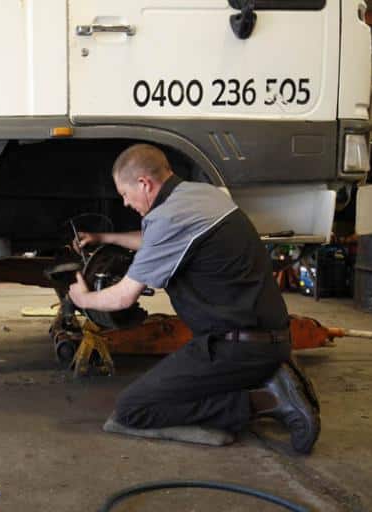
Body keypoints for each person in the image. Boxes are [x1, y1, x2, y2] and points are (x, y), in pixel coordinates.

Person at [68, 143, 320, 454]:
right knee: (172, 393)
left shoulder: (169, 218)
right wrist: (104, 238)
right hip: (267, 337)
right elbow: (154, 242)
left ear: (144, 183)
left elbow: (122, 298)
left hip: (234, 347)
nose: (125, 202)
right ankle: (271, 375)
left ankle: (270, 401)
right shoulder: (203, 195)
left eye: (124, 193)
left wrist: (82, 299)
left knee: (133, 409)